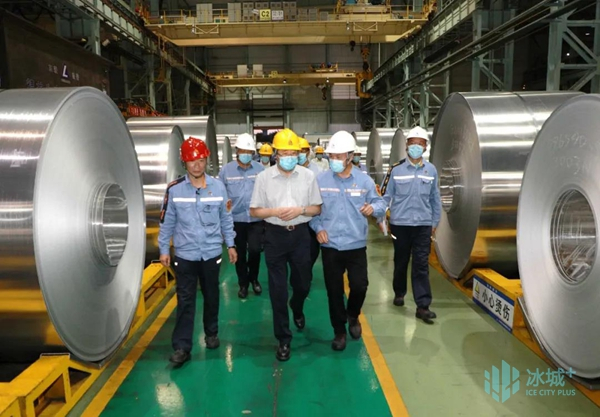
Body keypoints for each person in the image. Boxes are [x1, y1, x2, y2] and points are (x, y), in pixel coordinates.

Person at [159, 137, 237, 365]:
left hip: (211, 253)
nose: (197, 165)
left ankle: (211, 333)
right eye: (192, 161)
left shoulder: (218, 187)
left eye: (201, 160)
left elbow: (226, 219)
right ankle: (182, 346)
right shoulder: (174, 190)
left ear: (206, 161)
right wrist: (164, 249)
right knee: (185, 300)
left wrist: (231, 244)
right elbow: (167, 222)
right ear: (184, 162)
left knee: (212, 295)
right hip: (185, 255)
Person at [249, 128, 322, 361]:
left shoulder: (308, 176)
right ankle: (283, 338)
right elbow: (254, 211)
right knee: (277, 290)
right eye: (284, 153)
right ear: (276, 154)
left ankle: (297, 306)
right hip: (274, 236)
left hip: (301, 236)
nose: (289, 157)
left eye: (293, 153)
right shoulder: (263, 178)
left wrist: (300, 210)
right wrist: (275, 212)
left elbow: (317, 208)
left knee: (303, 283)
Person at [310, 131, 386, 351]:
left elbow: (380, 203)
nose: (333, 160)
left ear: (350, 156)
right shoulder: (320, 181)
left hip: (355, 244)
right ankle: (339, 331)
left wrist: (373, 208)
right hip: (331, 246)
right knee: (334, 291)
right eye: (331, 156)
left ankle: (353, 314)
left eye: (338, 156)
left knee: (360, 286)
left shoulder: (364, 181)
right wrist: (318, 228)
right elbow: (312, 211)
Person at [382, 126, 441, 324]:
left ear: (426, 147)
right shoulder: (395, 169)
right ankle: (399, 292)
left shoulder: (431, 170)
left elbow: (435, 198)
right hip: (400, 224)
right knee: (401, 261)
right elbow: (386, 196)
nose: (416, 147)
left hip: (423, 225)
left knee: (421, 265)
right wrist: (381, 217)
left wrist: (434, 222)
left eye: (420, 143)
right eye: (413, 143)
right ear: (406, 146)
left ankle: (422, 306)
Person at [218, 133, 265, 299]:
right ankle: (243, 284)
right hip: (236, 220)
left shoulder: (260, 170)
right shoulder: (226, 171)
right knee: (239, 254)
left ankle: (254, 278)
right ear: (237, 151)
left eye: (249, 151)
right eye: (243, 150)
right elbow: (222, 196)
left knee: (255, 250)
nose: (246, 154)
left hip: (256, 218)